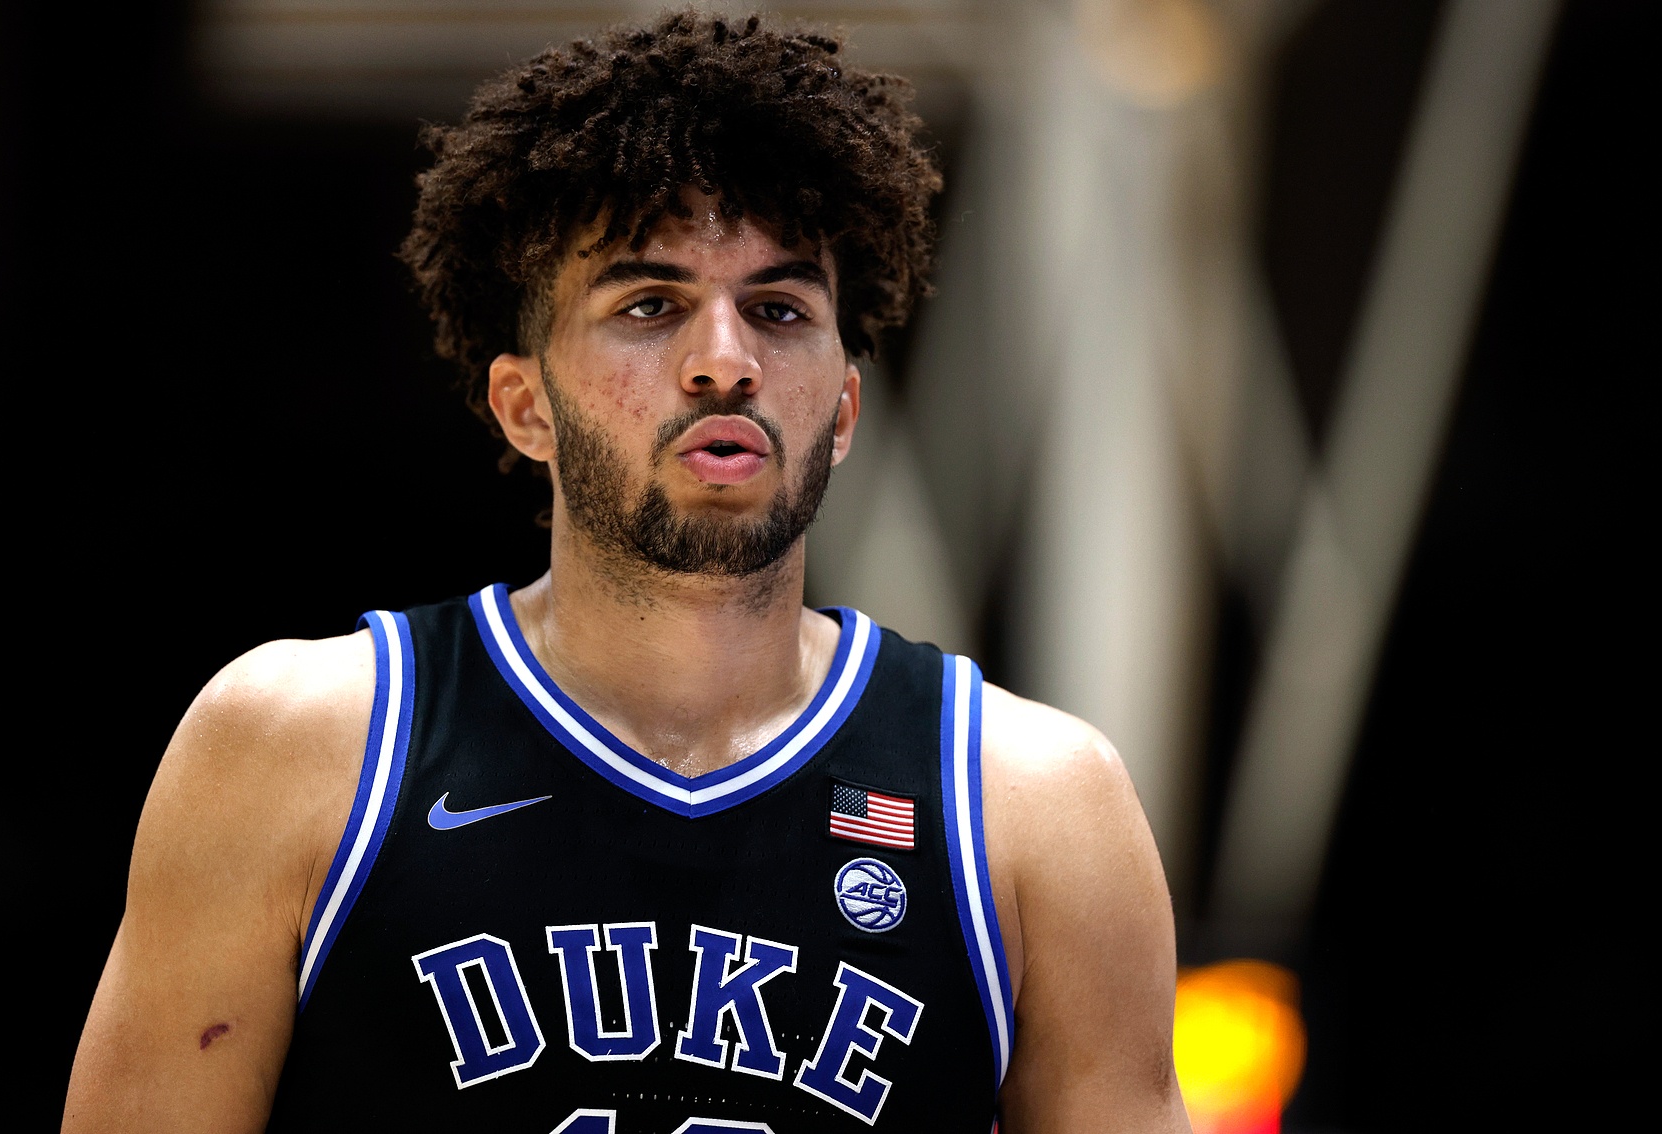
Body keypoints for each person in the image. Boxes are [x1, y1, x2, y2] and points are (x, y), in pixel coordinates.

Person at [63, 11, 1188, 1132]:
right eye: (650, 307)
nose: (723, 363)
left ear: (843, 411)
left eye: (777, 309)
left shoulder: (1037, 806)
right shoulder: (292, 749)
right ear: (525, 407)